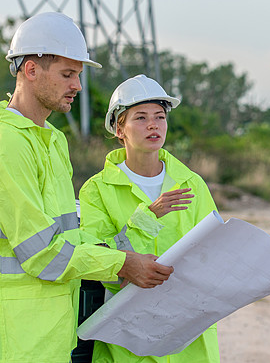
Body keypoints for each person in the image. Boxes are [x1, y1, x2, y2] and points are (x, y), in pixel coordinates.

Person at [0, 12, 174, 363]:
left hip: (48, 334)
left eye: (78, 75)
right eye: (68, 74)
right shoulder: (5, 145)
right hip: (13, 340)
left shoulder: (52, 140)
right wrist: (122, 264)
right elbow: (42, 254)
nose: (78, 86)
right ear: (31, 70)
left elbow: (67, 238)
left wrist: (137, 231)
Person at [79, 74, 221, 363]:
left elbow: (214, 251)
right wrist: (148, 217)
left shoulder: (191, 184)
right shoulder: (97, 190)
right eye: (141, 118)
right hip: (129, 335)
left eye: (160, 117)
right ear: (120, 129)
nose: (153, 125)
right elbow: (98, 259)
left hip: (187, 333)